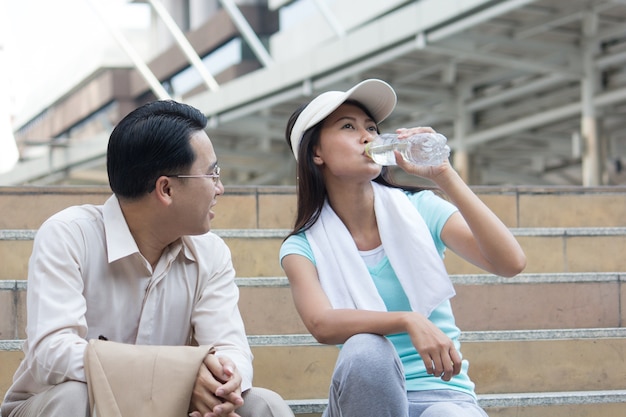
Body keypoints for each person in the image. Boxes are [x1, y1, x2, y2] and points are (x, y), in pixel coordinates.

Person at [1, 100, 294, 417]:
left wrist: (221, 384)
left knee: (265, 405)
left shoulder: (211, 252)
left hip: (171, 408)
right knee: (74, 396)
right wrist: (176, 377)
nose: (220, 188)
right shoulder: (68, 235)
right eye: (212, 175)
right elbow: (52, 353)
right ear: (166, 189)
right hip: (72, 405)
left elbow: (230, 348)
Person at [279, 79, 527, 417]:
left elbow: (510, 263)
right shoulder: (302, 247)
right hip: (367, 402)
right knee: (366, 349)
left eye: (371, 127)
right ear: (316, 152)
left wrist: (444, 175)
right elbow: (321, 323)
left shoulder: (420, 208)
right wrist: (408, 320)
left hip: (443, 395)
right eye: (348, 126)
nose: (367, 136)